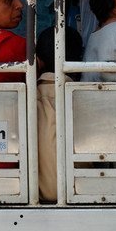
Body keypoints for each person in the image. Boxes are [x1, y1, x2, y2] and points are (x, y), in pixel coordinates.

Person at [34, 27, 83, 203]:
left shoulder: (27, 99)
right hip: (80, 193)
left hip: (36, 194)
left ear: (38, 61)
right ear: (79, 61)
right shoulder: (82, 99)